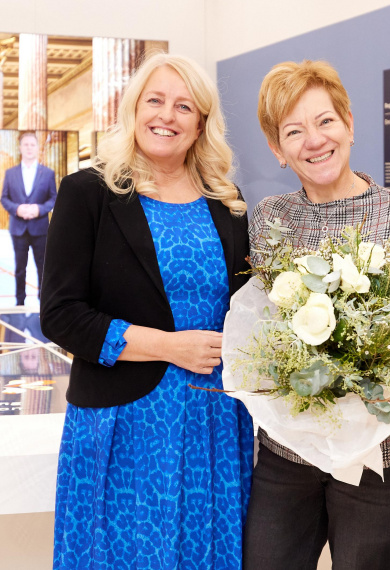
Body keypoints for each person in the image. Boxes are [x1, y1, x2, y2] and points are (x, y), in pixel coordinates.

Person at [244, 59, 390, 570]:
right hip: (292, 449)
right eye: (293, 130)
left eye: (325, 121)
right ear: (276, 149)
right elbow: (258, 329)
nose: (314, 140)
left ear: (349, 123)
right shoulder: (270, 219)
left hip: (387, 453)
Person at [40, 53, 254, 569]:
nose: (168, 115)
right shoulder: (88, 192)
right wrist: (167, 346)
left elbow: (246, 310)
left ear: (201, 122)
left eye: (184, 106)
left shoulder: (226, 202)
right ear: (133, 108)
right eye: (155, 100)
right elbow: (62, 314)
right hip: (125, 418)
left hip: (214, 419)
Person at [0, 131, 57, 305]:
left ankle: (43, 301)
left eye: (32, 144)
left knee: (43, 266)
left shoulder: (47, 173)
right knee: (19, 268)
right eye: (26, 144)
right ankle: (19, 301)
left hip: (40, 228)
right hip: (18, 228)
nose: (29, 148)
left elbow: (53, 198)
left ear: (38, 148)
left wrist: (38, 209)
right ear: (20, 148)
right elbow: (4, 198)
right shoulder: (11, 173)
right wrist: (17, 209)